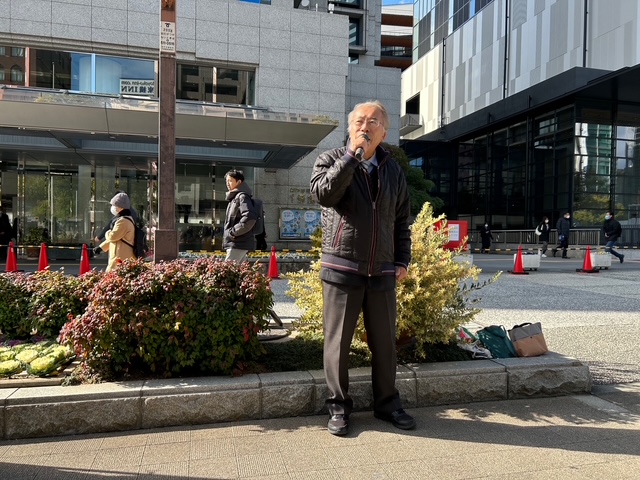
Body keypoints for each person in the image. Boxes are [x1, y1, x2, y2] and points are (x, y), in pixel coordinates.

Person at [310, 100, 415, 436]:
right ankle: (338, 408)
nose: (365, 126)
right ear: (350, 126)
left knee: (384, 344)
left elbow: (401, 220)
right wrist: (351, 158)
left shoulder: (393, 170)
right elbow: (324, 194)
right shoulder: (330, 160)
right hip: (342, 268)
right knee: (338, 344)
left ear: (384, 132)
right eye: (359, 121)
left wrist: (402, 260)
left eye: (373, 121)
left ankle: (387, 404)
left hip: (382, 270)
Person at [93, 192, 136, 271]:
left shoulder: (123, 221)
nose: (112, 207)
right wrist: (101, 247)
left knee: (113, 275)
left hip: (120, 257)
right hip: (119, 256)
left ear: (121, 207)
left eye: (114, 205)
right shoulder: (123, 219)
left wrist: (107, 232)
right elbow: (117, 238)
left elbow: (113, 237)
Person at [223, 169, 257, 262]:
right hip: (238, 242)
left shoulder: (242, 197)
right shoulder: (235, 197)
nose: (227, 183)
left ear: (239, 182)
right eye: (226, 181)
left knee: (228, 269)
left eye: (230, 180)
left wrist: (233, 232)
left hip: (238, 243)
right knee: (239, 270)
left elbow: (250, 217)